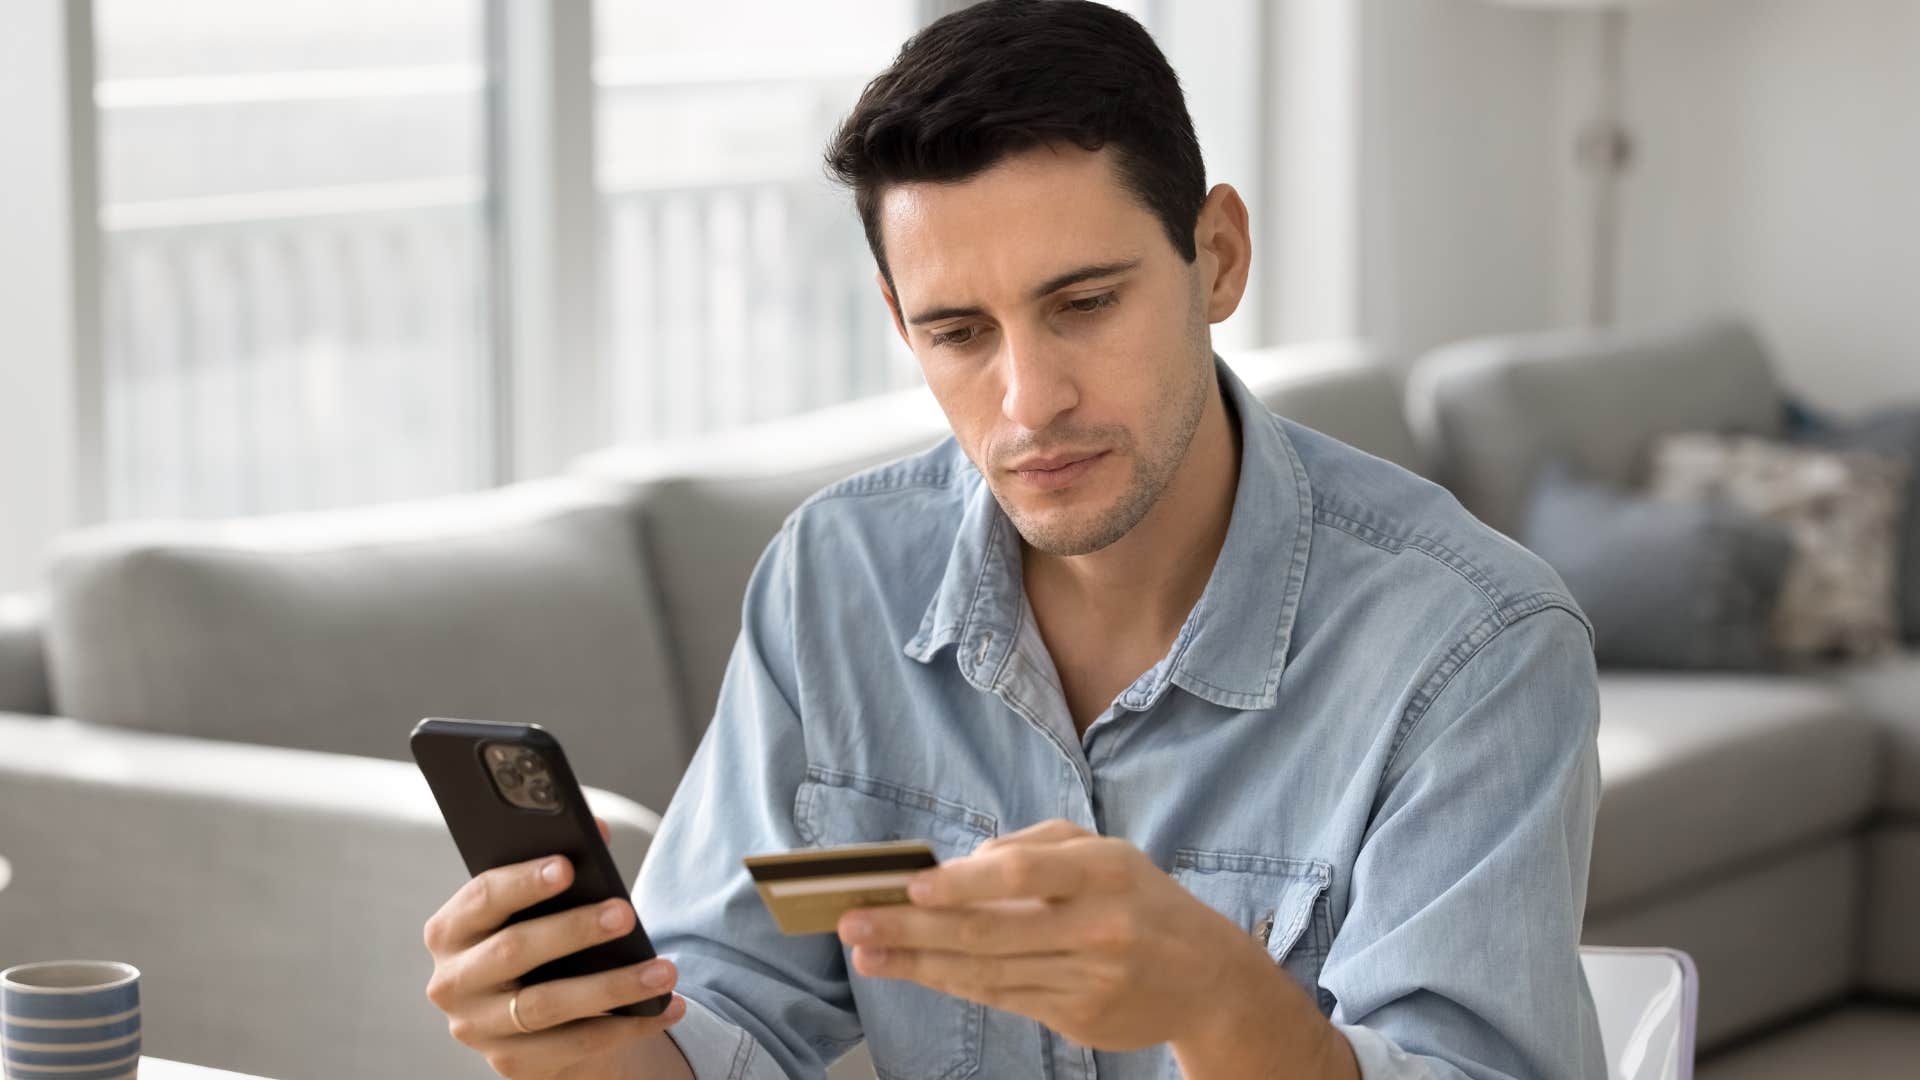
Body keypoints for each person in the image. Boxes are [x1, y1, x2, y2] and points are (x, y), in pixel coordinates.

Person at [421, 2, 1607, 1077]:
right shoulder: (833, 584)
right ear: (897, 320)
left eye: (1085, 304)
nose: (1029, 402)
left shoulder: (1474, 646)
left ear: (1220, 259)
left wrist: (1222, 1006)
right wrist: (581, 1042)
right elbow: (725, 1027)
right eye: (958, 332)